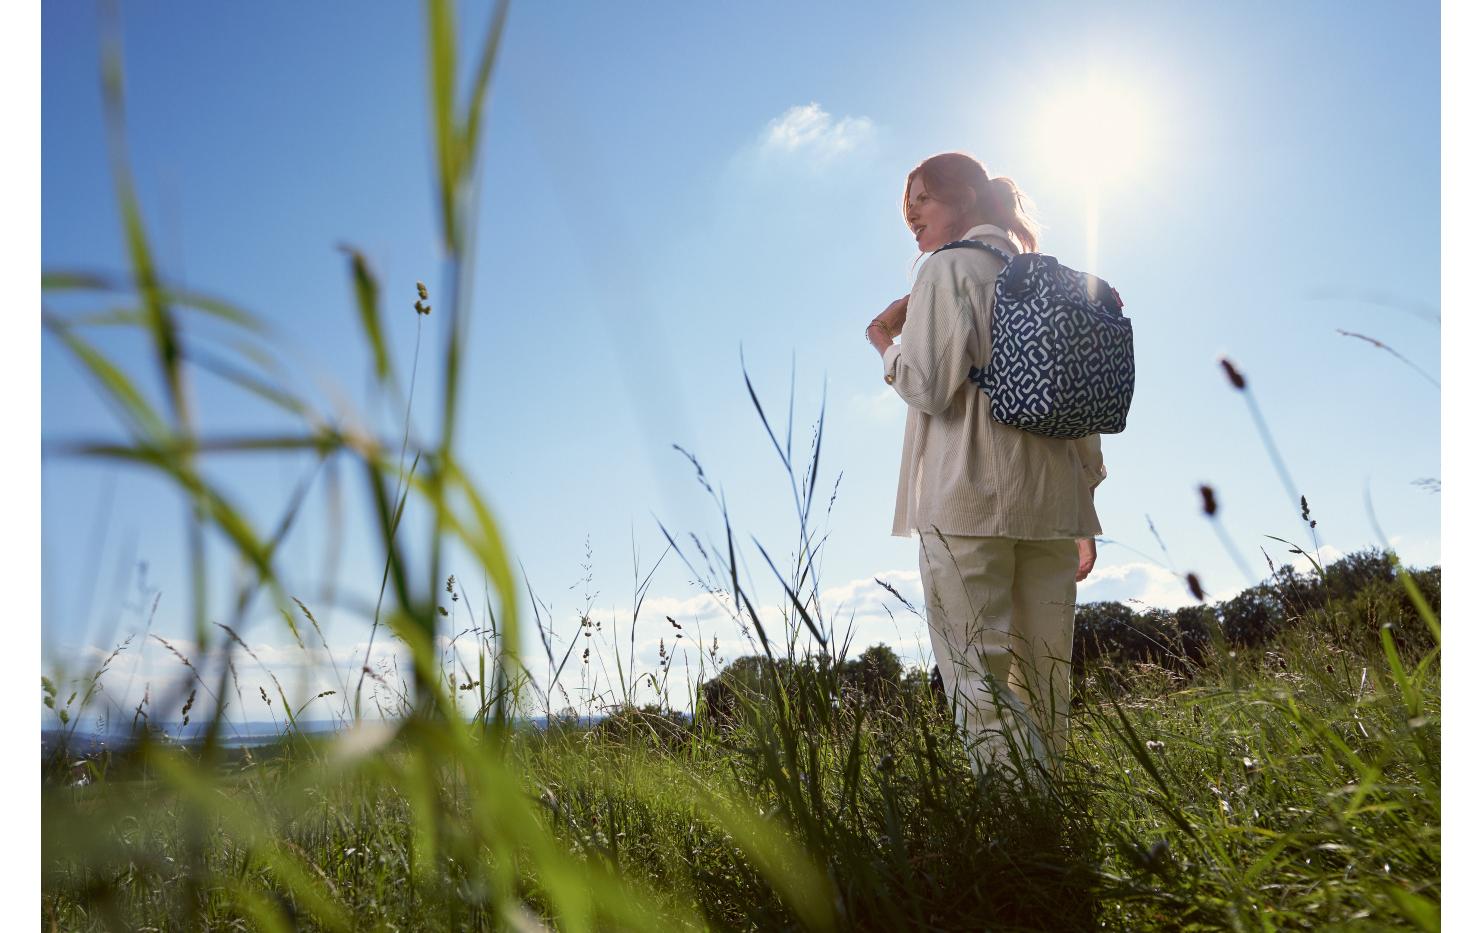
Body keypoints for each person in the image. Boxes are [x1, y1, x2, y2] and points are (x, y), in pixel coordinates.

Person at [865, 151, 1105, 777]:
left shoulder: (946, 271)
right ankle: (1054, 822)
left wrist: (885, 344)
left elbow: (927, 385)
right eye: (906, 205)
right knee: (1046, 678)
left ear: (966, 198)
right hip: (1053, 504)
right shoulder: (1052, 277)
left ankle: (1013, 830)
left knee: (979, 676)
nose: (911, 214)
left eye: (923, 199)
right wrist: (1084, 513)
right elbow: (1079, 412)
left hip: (967, 498)